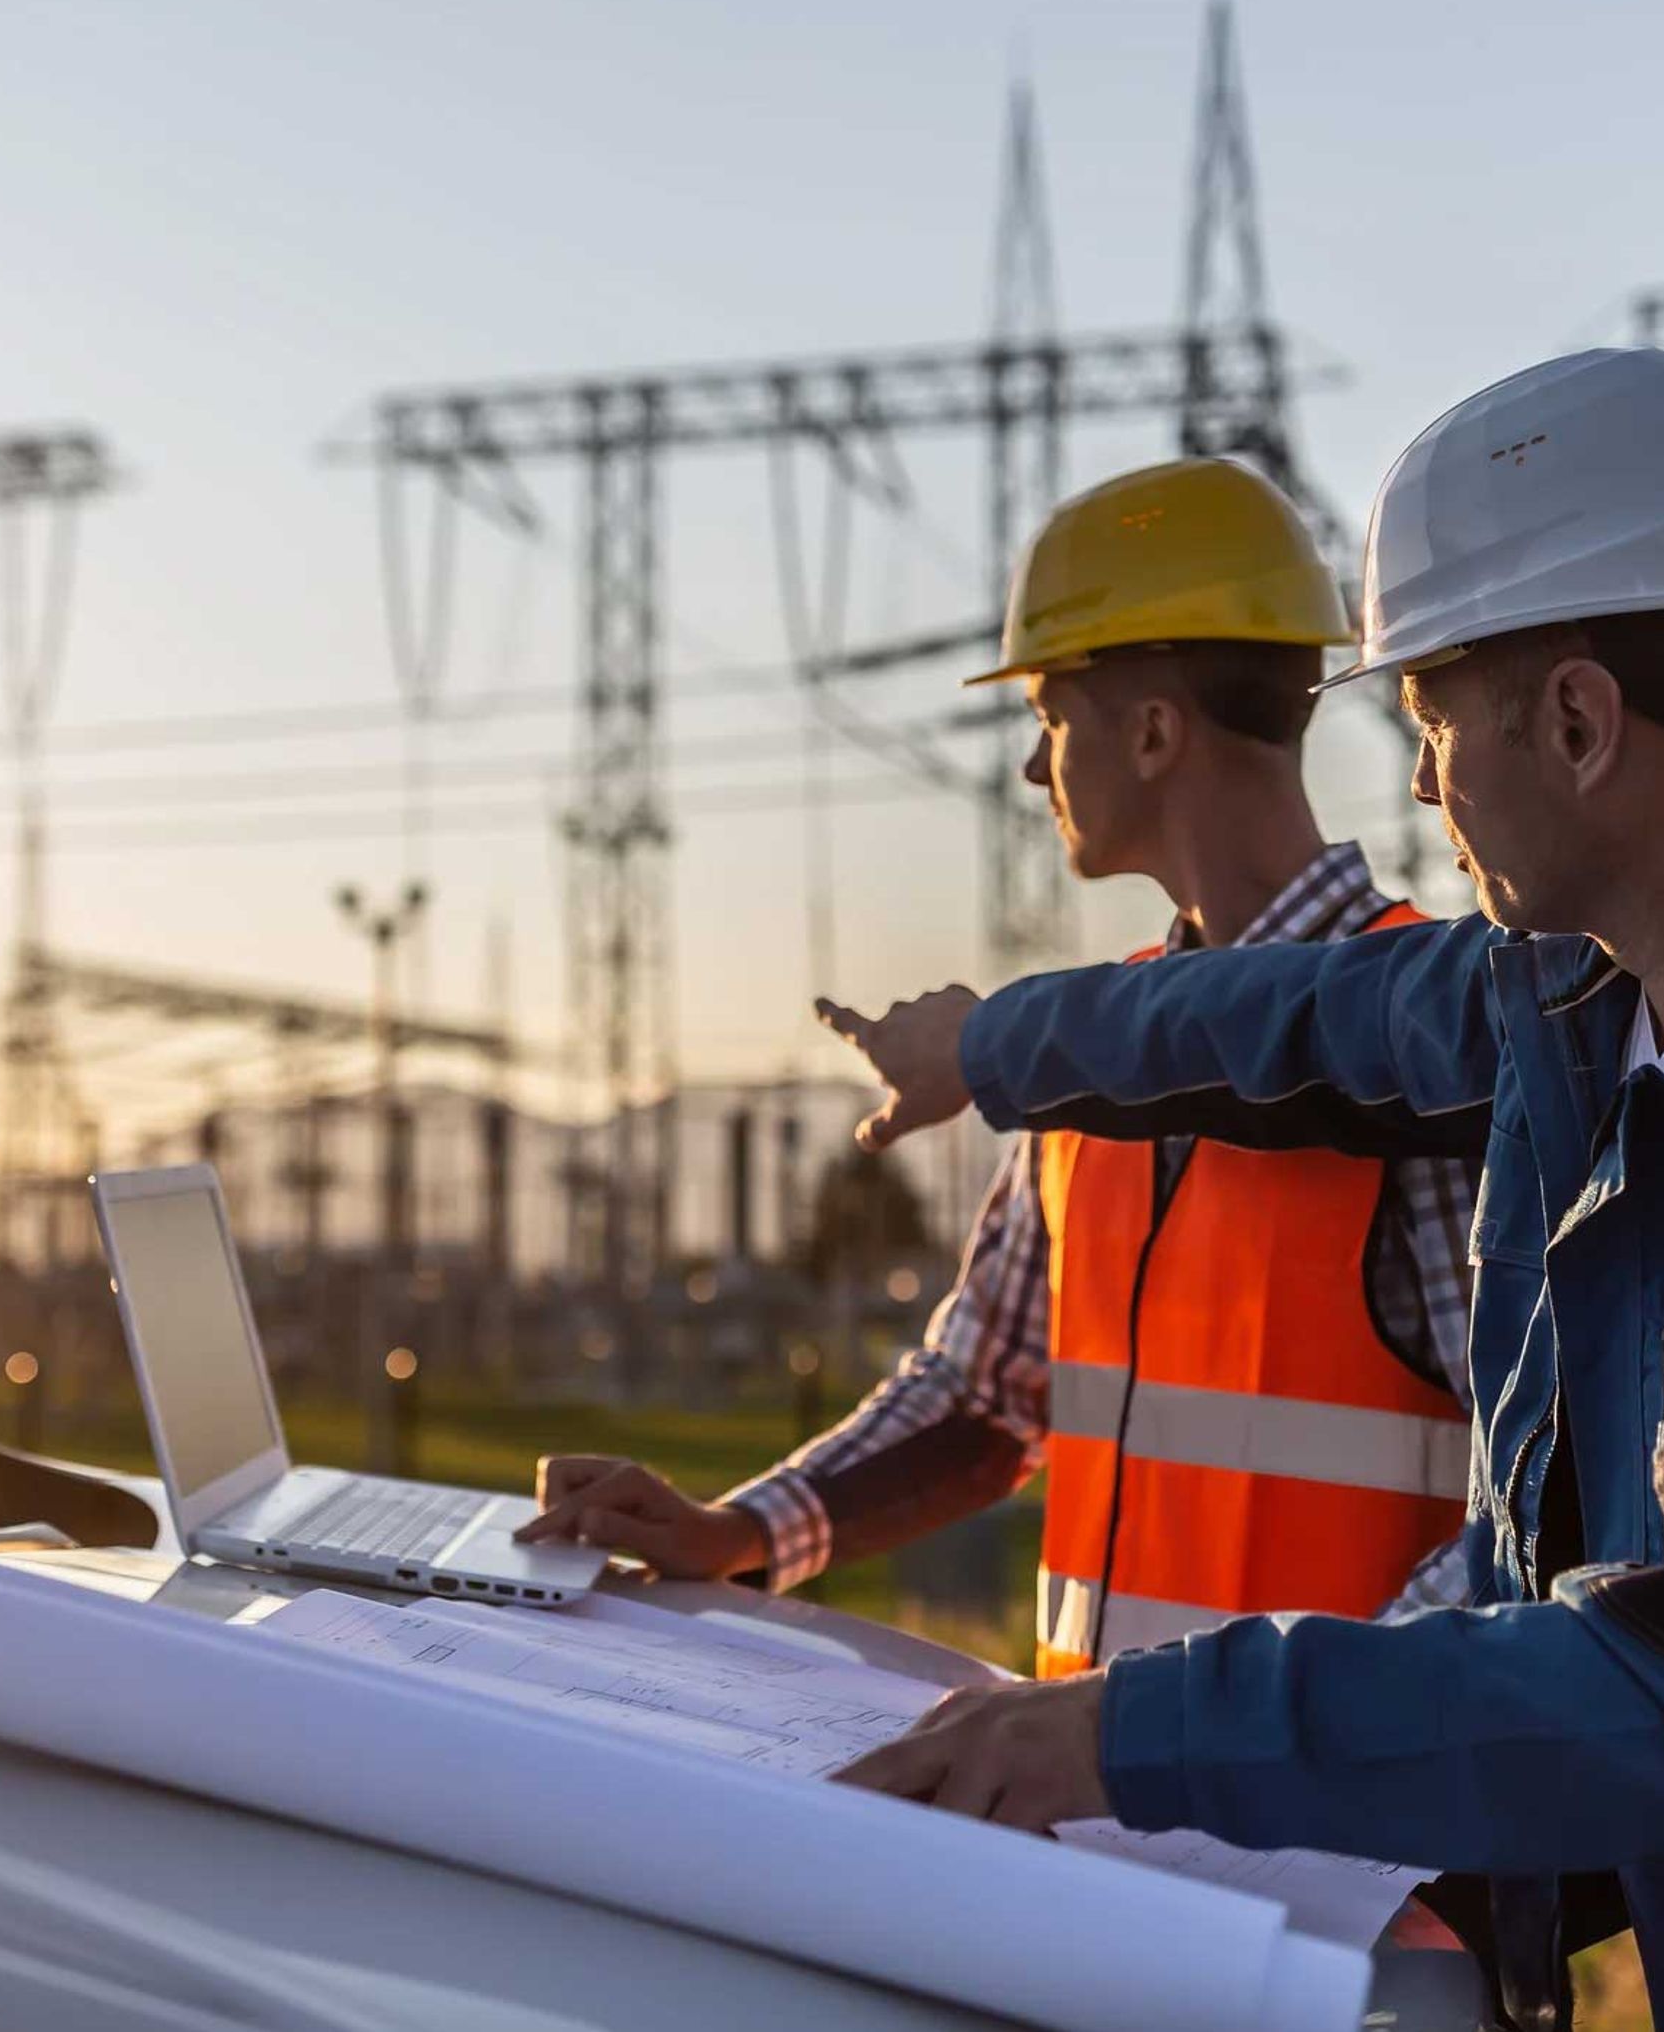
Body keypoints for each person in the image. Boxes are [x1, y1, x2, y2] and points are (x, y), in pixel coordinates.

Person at [820, 347, 1664, 2030]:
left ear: (1582, 722)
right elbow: (1283, 1013)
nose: (1428, 786)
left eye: (1431, 722)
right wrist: (993, 1047)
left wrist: (1115, 1735)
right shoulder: (1575, 1012)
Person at [523, 457, 1478, 1675]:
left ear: (1148, 733)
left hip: (1336, 1843)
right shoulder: (1084, 1058)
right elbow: (983, 1395)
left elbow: (1531, 1504)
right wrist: (740, 1531)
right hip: (1100, 1818)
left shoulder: (1424, 1064)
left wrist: (1316, 1752)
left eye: (1047, 718)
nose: (1033, 772)